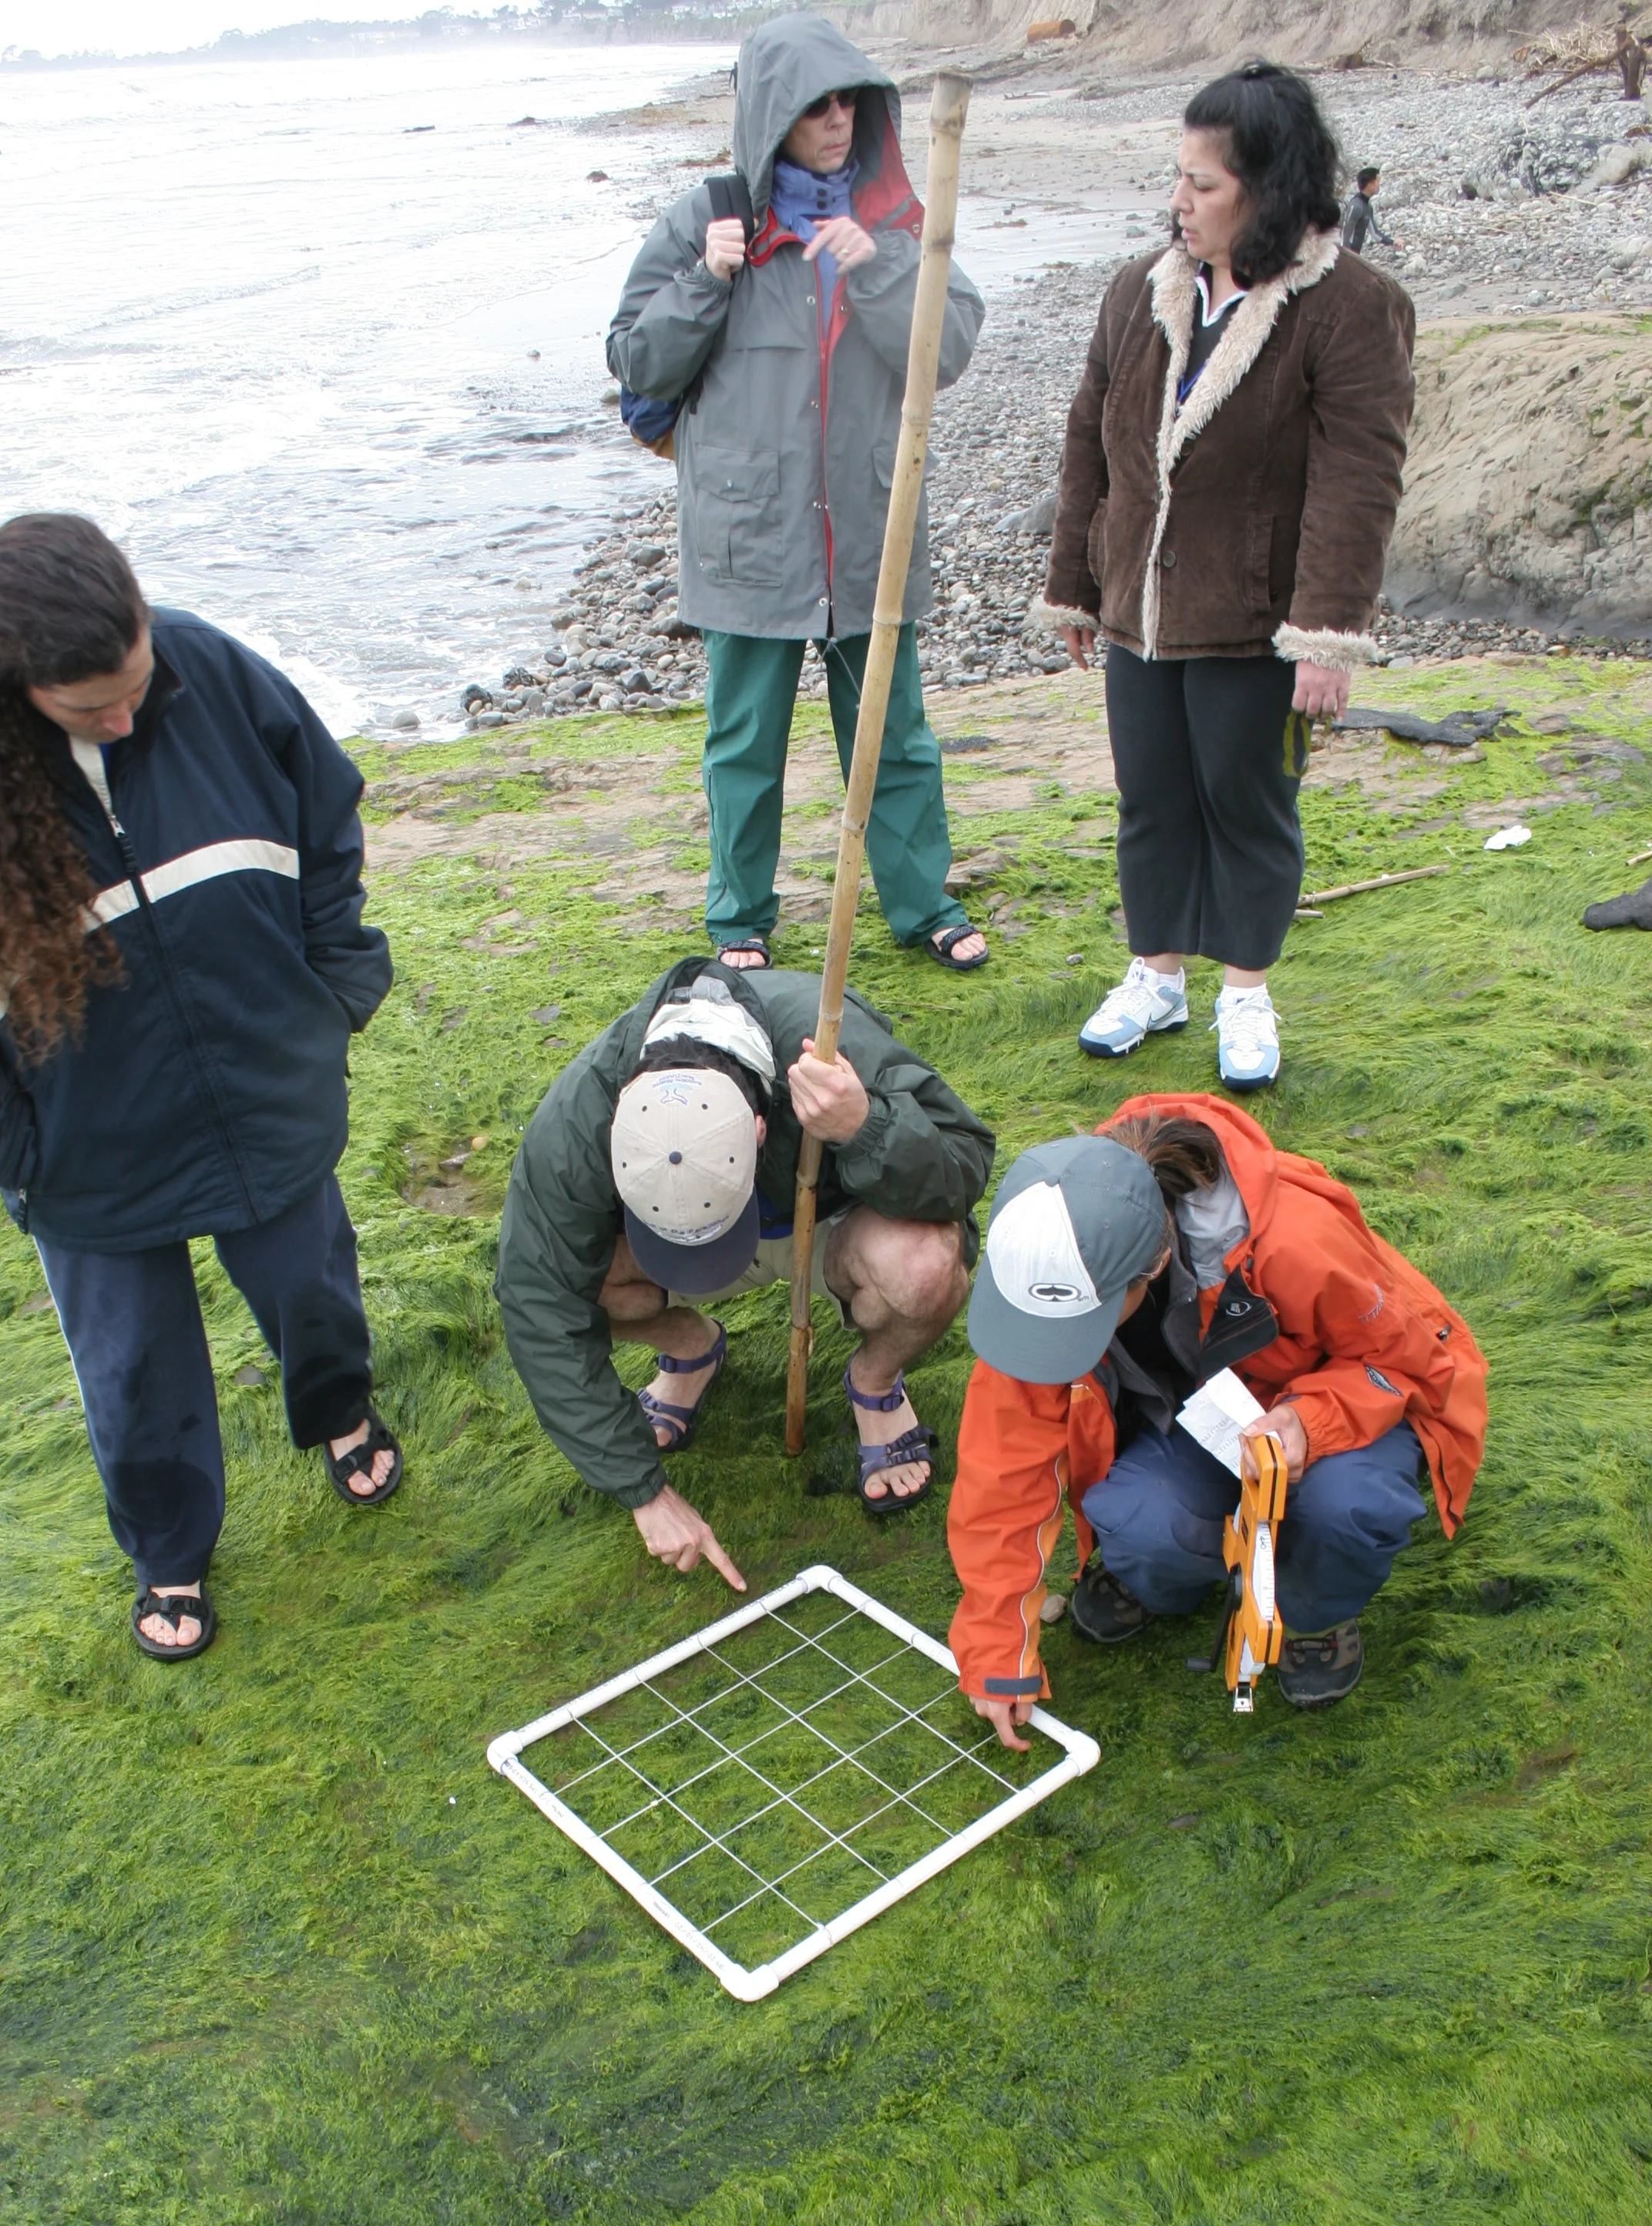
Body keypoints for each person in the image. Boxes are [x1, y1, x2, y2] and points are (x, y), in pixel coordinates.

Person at [0, 514, 398, 1663]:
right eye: (89, 705)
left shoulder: (210, 670)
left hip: (263, 1083)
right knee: (133, 1368)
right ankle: (169, 1548)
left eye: (137, 678)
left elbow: (324, 822)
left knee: (312, 1287)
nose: (127, 715)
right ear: (8, 688)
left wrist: (333, 988)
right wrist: (14, 1147)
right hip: (81, 1146)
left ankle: (338, 1412)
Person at [1037, 63, 1415, 1088]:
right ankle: (1156, 976)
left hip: (1258, 619)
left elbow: (1358, 479)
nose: (1180, 201)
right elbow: (1092, 445)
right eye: (1179, 180)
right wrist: (1077, 582)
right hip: (1142, 610)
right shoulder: (1139, 290)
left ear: (1268, 186)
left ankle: (1243, 994)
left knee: (1248, 802)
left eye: (1203, 184)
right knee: (1152, 798)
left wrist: (1328, 634)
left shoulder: (1351, 307)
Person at [606, 12, 989, 976]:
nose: (837, 122)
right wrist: (709, 276)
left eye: (849, 103)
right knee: (743, 745)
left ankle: (922, 906)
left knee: (893, 733)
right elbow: (635, 356)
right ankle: (739, 918)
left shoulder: (891, 223)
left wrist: (885, 267)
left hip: (869, 526)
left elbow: (945, 349)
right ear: (770, 114)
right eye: (815, 105)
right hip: (749, 536)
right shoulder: (704, 219)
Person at [946, 1096, 1486, 1726]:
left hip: (1345, 1404)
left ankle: (1314, 1613)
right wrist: (997, 1651)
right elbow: (1002, 1472)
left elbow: (1408, 1365)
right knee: (1137, 1522)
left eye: (1080, 1329)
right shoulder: (1046, 1267)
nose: (1055, 1353)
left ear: (1152, 1267)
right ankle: (1165, 1579)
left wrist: (1309, 1422)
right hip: (1199, 1416)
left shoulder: (1297, 1240)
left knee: (1347, 1511)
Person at [495, 959, 994, 1583]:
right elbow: (537, 1301)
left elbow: (967, 1164)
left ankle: (876, 1380)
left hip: (836, 1225)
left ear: (759, 1129)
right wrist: (645, 1493)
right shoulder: (577, 1123)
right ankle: (691, 1349)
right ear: (618, 1123)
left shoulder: (830, 1042)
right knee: (575, 1281)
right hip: (661, 1251)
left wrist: (866, 1129)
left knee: (925, 1266)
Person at [1340, 165, 1397, 256]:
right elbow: (1344, 236)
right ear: (1370, 185)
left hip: (1354, 257)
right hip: (1347, 258)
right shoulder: (1356, 206)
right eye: (1377, 182)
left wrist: (1392, 242)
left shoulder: (1367, 206)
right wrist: (1346, 259)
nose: (1379, 185)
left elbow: (1375, 234)